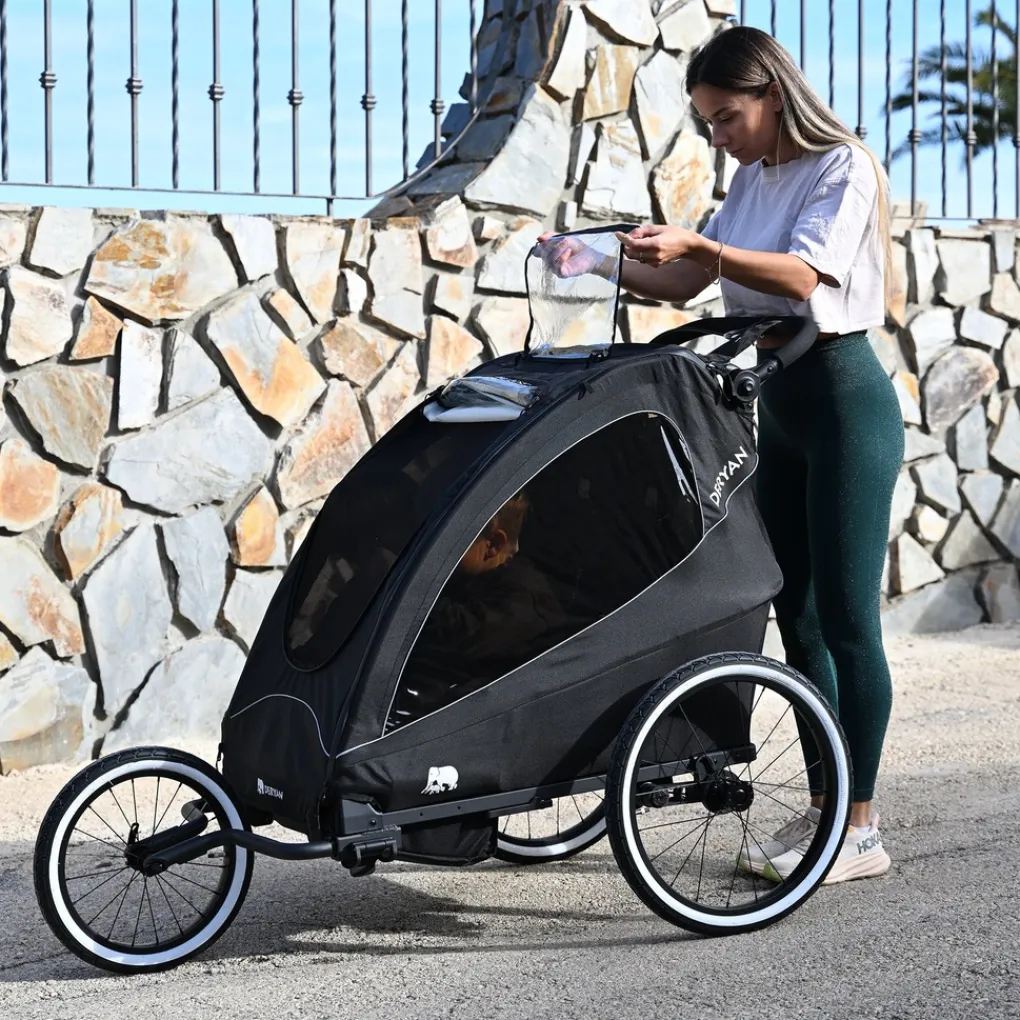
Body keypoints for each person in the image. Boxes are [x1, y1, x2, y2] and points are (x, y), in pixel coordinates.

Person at [536, 26, 901, 886]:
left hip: (845, 405)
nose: (718, 135)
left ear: (773, 94)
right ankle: (826, 811)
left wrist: (701, 245)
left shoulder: (842, 166)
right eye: (706, 121)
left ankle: (862, 827)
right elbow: (684, 283)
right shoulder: (751, 179)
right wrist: (596, 259)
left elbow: (802, 278)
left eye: (727, 116)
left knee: (848, 619)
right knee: (797, 617)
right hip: (783, 405)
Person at [388, 491, 566, 730]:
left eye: (449, 544)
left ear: (492, 545)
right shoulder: (475, 577)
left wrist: (405, 590)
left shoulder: (523, 600)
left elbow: (464, 636)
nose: (436, 554)